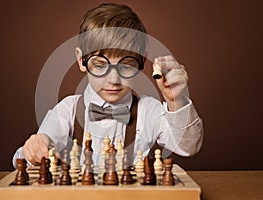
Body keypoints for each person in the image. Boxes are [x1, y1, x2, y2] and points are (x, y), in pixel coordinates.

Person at [12, 3, 203, 168]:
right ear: (81, 60)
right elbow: (24, 157)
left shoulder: (149, 110)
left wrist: (176, 100)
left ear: (142, 61)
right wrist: (36, 148)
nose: (113, 80)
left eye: (126, 66)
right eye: (100, 65)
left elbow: (189, 146)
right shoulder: (67, 110)